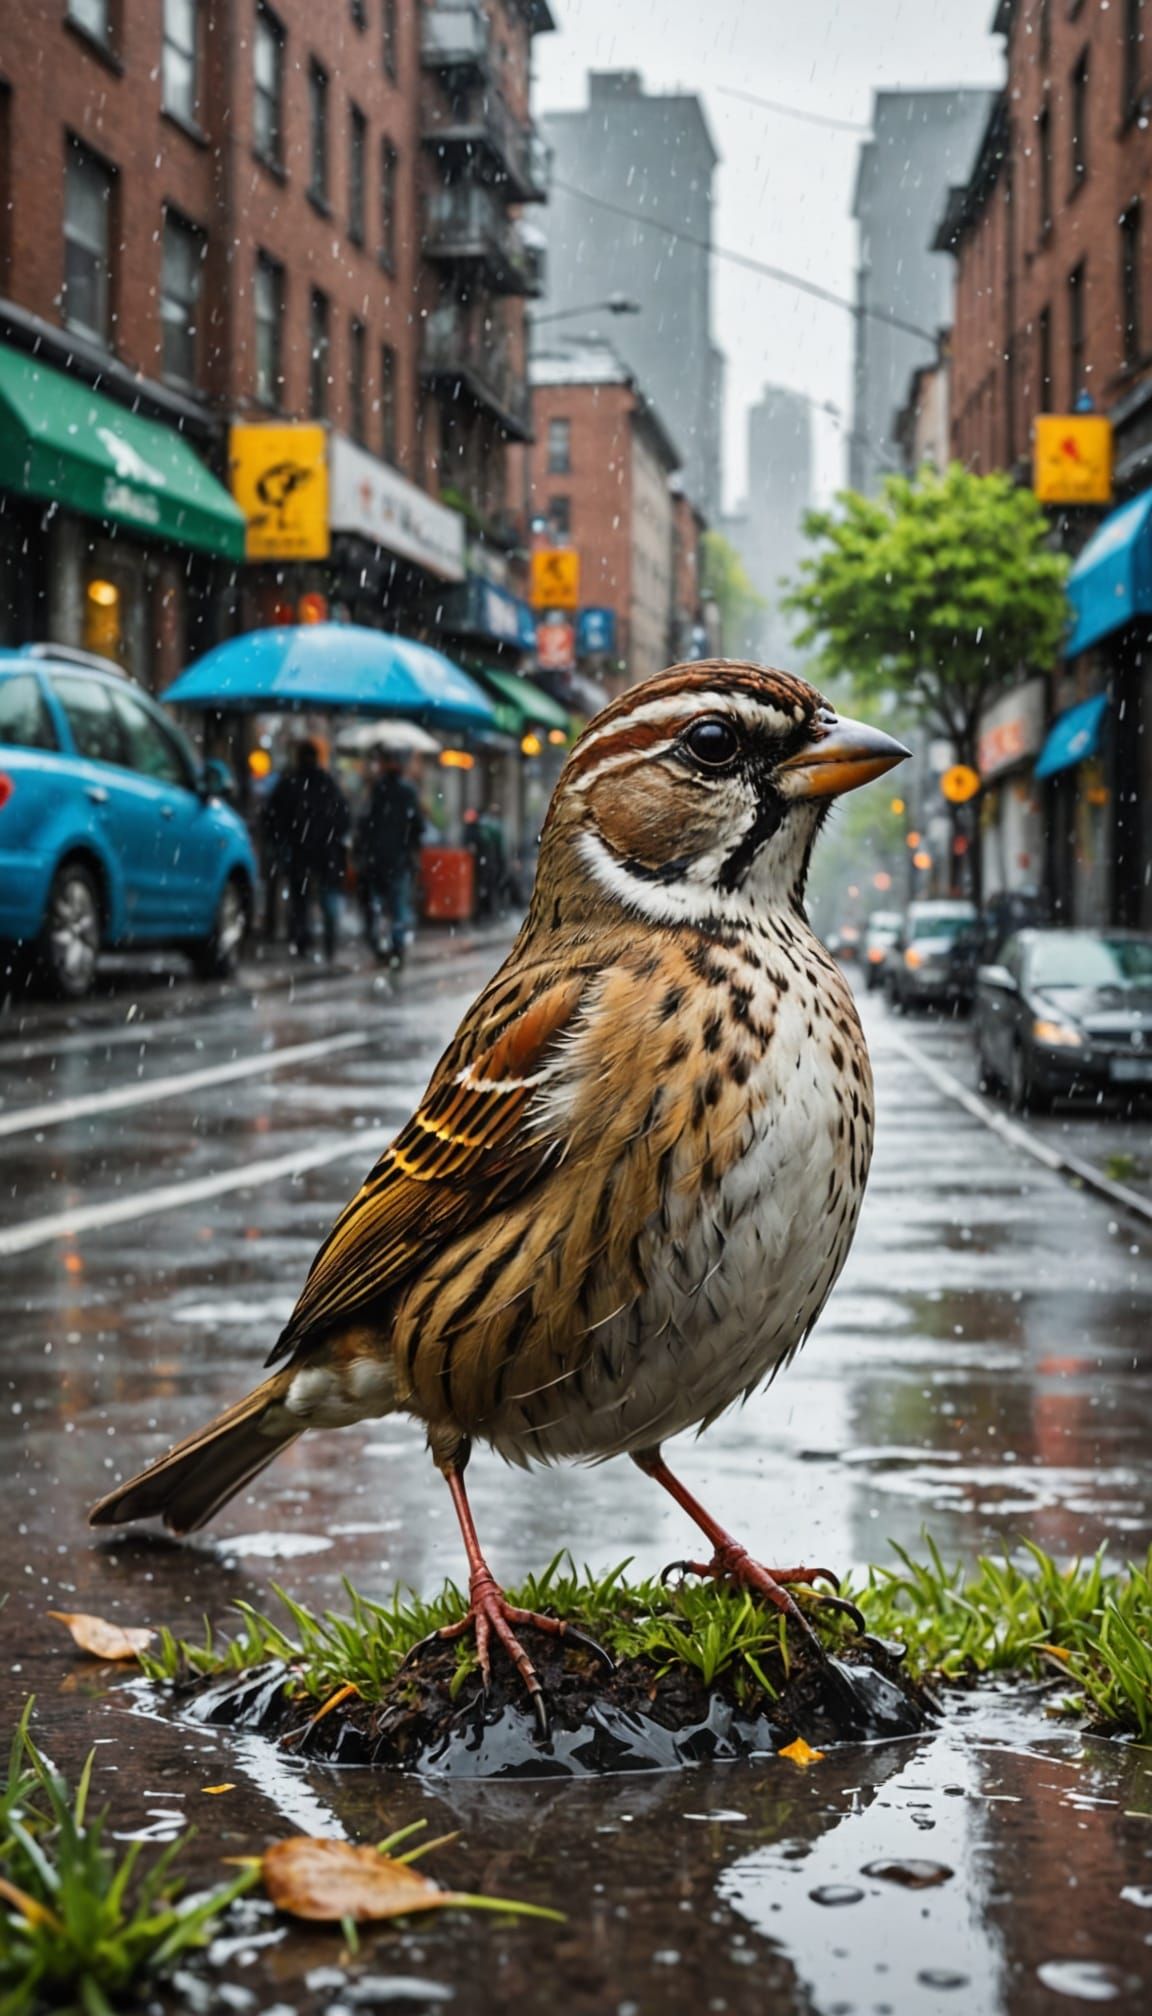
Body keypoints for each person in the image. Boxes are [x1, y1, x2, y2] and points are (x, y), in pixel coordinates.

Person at [264, 739, 350, 962]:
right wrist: (332, 837)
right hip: (324, 852)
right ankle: (328, 943)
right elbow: (343, 816)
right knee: (326, 897)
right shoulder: (327, 783)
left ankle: (302, 941)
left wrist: (283, 839)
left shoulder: (289, 783)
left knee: (299, 899)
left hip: (299, 851)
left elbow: (272, 817)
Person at [356, 748, 424, 966]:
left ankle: (381, 946)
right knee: (398, 907)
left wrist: (363, 850)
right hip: (398, 860)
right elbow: (418, 826)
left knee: (377, 906)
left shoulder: (376, 790)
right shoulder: (407, 791)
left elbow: (364, 824)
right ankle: (396, 948)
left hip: (376, 859)